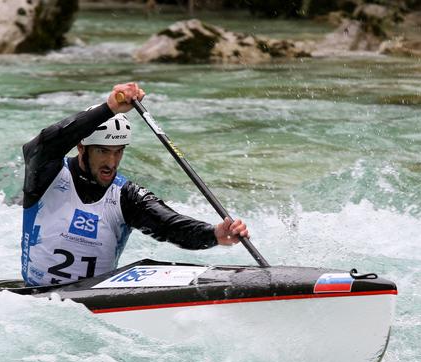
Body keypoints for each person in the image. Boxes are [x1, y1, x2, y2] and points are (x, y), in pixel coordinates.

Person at [20, 82, 249, 286]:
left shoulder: (126, 196)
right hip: (36, 298)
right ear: (81, 147)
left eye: (118, 152)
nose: (111, 162)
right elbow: (42, 144)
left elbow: (169, 225)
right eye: (103, 151)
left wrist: (213, 234)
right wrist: (107, 109)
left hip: (89, 307)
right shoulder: (48, 174)